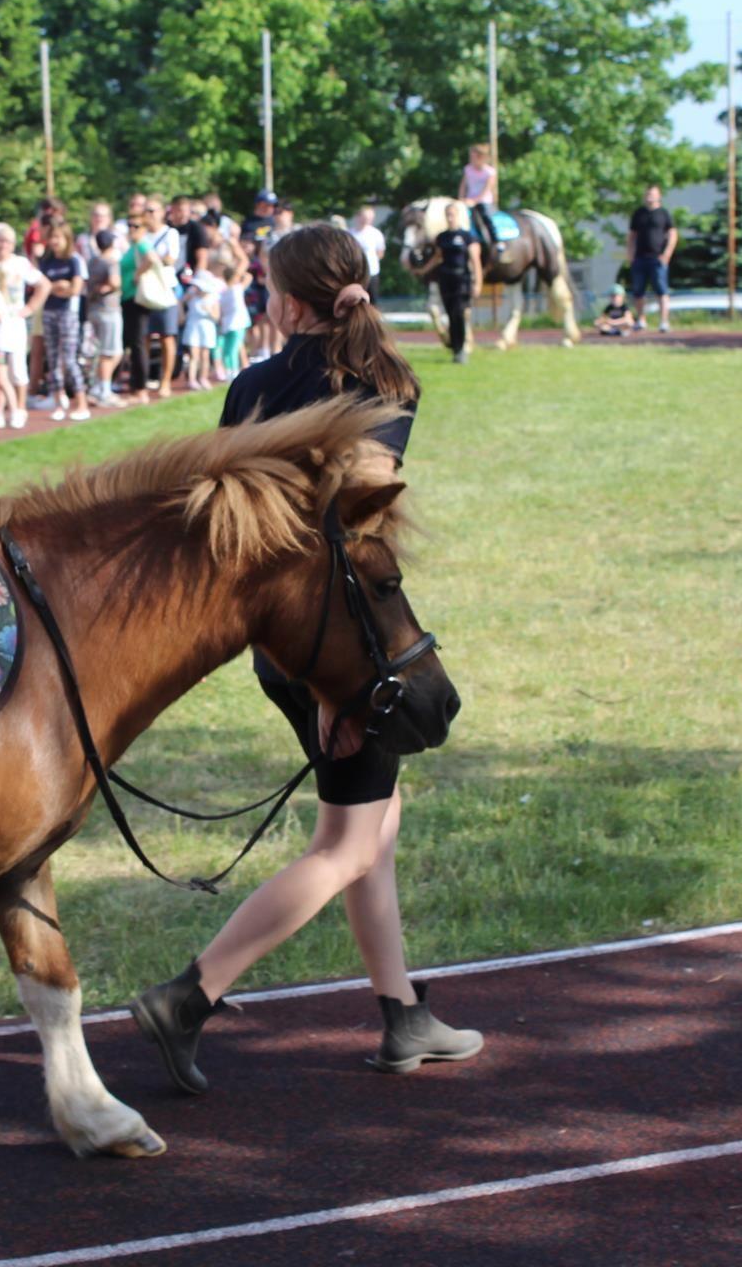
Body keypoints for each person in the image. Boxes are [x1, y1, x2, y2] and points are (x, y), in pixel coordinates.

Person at [130, 223, 481, 1094]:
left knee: (374, 830)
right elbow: (348, 524)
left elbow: (228, 530)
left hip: (281, 639)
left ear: (286, 301)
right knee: (345, 844)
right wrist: (338, 685)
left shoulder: (251, 384)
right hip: (343, 648)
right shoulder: (384, 382)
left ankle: (403, 1015)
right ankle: (191, 996)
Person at [0, 222, 50, 428]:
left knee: (16, 368)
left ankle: (19, 407)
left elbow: (43, 284)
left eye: (7, 241)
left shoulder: (20, 263)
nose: (2, 245)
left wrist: (29, 309)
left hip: (12, 321)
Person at [128, 196, 182, 404]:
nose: (148, 215)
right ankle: (143, 380)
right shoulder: (141, 235)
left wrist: (149, 261)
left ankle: (165, 381)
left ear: (162, 213)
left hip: (164, 289)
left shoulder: (170, 233)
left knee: (167, 336)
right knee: (144, 338)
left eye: (152, 211)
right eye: (146, 211)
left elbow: (170, 259)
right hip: (144, 290)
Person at [37, 218, 92, 421]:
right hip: (49, 311)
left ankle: (81, 402)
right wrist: (58, 286)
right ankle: (59, 401)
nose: (54, 241)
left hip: (67, 313)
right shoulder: (46, 261)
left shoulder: (74, 260)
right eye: (52, 237)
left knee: (69, 359)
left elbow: (76, 289)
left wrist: (61, 288)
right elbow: (42, 286)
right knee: (52, 359)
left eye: (58, 237)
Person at [412, 202, 481, 363]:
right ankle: (455, 348)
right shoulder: (442, 237)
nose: (450, 218)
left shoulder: (466, 236)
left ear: (457, 216)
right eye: (447, 215)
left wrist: (477, 282)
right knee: (450, 313)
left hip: (461, 280)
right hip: (446, 278)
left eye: (452, 214)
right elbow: (437, 257)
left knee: (459, 312)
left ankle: (462, 348)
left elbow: (475, 261)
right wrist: (423, 270)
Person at [84, 229, 129, 407]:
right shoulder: (110, 262)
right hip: (108, 310)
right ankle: (103, 390)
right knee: (111, 352)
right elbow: (115, 282)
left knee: (106, 351)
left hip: (94, 309)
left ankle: (98, 388)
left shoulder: (92, 261)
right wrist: (110, 288)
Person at [627, 184, 678, 334]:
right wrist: (630, 254)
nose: (649, 196)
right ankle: (641, 320)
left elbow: (673, 234)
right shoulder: (639, 214)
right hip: (640, 258)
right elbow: (631, 236)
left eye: (653, 194)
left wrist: (667, 253)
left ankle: (664, 322)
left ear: (658, 196)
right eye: (648, 193)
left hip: (657, 259)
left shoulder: (664, 214)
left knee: (661, 290)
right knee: (638, 291)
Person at [181, 254, 224, 391]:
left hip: (206, 327)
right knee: (194, 355)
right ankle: (192, 380)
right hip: (194, 325)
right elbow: (181, 302)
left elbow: (217, 317)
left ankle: (203, 378)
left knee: (205, 355)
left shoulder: (213, 298)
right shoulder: (192, 295)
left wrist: (209, 311)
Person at [216, 240, 253, 381]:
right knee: (233, 348)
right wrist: (235, 247)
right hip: (237, 323)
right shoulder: (236, 289)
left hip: (228, 323)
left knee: (229, 349)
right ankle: (234, 372)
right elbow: (248, 275)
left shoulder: (223, 290)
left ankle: (231, 371)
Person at [458, 143, 501, 254]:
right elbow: (463, 186)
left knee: (486, 216)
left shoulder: (489, 172)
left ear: (481, 157)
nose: (471, 159)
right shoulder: (468, 169)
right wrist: (460, 199)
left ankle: (496, 239)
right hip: (468, 200)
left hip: (483, 201)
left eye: (474, 156)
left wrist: (475, 201)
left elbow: (486, 190)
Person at [351, 205, 387, 299]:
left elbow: (380, 252)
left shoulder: (375, 233)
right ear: (358, 217)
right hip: (354, 273)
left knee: (373, 298)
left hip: (372, 272)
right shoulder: (350, 234)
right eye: (365, 218)